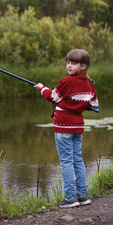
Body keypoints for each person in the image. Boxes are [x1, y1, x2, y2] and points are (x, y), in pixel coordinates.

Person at [34, 49, 98, 208]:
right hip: (77, 126)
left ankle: (70, 198)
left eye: (74, 63)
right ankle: (83, 195)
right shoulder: (89, 84)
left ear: (83, 66)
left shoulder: (66, 82)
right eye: (68, 62)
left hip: (63, 125)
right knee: (77, 158)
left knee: (67, 161)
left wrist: (42, 88)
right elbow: (93, 104)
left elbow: (53, 97)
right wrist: (78, 104)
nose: (69, 66)